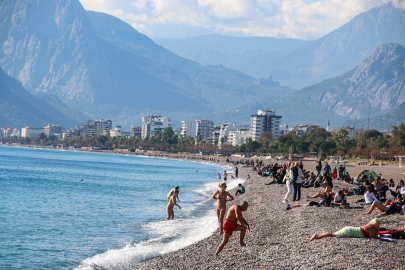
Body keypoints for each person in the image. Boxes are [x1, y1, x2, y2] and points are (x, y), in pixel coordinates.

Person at [309, 219, 381, 241]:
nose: (379, 226)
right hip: (350, 231)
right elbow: (372, 237)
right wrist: (378, 235)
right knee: (333, 235)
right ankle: (316, 236)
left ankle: (318, 236)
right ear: (375, 225)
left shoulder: (369, 225)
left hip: (350, 229)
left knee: (333, 234)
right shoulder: (372, 228)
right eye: (378, 225)